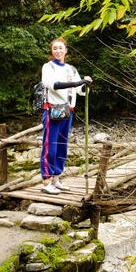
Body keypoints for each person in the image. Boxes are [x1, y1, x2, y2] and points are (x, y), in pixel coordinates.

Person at [39, 38, 92, 195]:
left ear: (66, 50)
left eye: (60, 48)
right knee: (50, 146)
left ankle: (56, 178)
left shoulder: (71, 69)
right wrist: (76, 83)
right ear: (52, 51)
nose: (58, 51)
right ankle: (46, 181)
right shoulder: (48, 67)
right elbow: (52, 85)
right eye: (55, 48)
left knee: (62, 146)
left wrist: (85, 84)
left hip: (68, 111)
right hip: (53, 111)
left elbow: (80, 90)